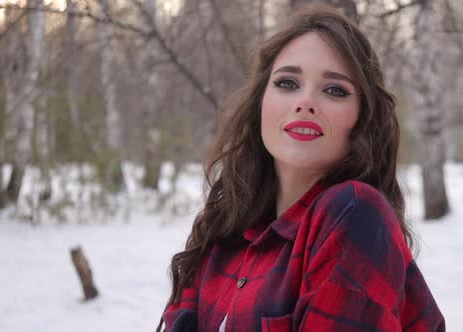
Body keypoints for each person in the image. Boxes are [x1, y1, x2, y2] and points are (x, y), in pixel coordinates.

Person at [158, 4, 445, 332]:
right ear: (261, 104)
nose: (306, 101)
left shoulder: (355, 215)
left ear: (361, 120)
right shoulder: (223, 234)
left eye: (335, 90)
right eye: (287, 83)